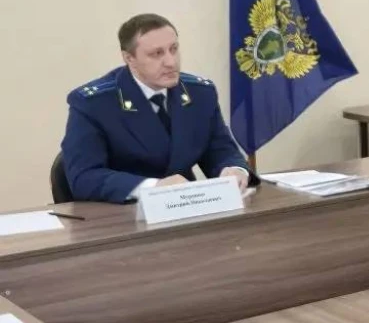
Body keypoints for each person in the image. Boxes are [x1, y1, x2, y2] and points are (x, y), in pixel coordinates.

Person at [62, 13, 252, 203]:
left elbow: (221, 151)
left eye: (173, 49)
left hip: (187, 208)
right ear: (129, 58)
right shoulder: (94, 104)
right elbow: (84, 178)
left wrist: (234, 170)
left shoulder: (200, 93)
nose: (171, 62)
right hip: (123, 213)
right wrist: (154, 187)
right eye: (157, 54)